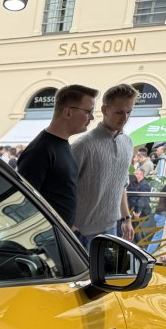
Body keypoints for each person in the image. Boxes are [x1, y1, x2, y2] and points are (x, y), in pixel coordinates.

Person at [16, 84, 97, 228]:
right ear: (68, 112)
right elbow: (24, 204)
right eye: (88, 111)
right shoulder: (40, 150)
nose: (92, 117)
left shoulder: (61, 144)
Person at [70, 82, 137, 248]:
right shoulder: (83, 145)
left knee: (106, 274)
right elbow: (64, 187)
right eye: (119, 112)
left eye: (129, 112)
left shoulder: (128, 143)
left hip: (111, 228)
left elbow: (121, 185)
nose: (125, 118)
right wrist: (69, 224)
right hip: (80, 232)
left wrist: (127, 219)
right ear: (104, 110)